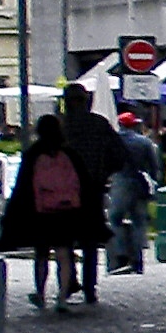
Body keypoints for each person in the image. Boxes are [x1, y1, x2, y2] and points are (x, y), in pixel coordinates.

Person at [0, 113, 99, 310]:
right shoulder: (69, 153)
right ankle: (61, 297)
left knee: (42, 254)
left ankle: (41, 294)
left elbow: (23, 186)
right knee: (64, 253)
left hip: (41, 211)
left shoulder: (33, 154)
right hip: (67, 210)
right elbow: (84, 184)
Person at [51, 87, 118, 308]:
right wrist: (104, 172)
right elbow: (119, 154)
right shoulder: (99, 124)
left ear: (66, 102)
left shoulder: (60, 126)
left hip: (63, 191)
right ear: (86, 101)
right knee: (90, 241)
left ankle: (70, 280)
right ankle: (90, 288)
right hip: (92, 189)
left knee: (65, 239)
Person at [107, 112, 164, 274]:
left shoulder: (112, 142)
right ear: (133, 125)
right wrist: (153, 182)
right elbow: (154, 167)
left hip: (120, 183)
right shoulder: (144, 142)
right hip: (139, 184)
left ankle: (120, 254)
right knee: (139, 222)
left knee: (114, 219)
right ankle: (137, 260)